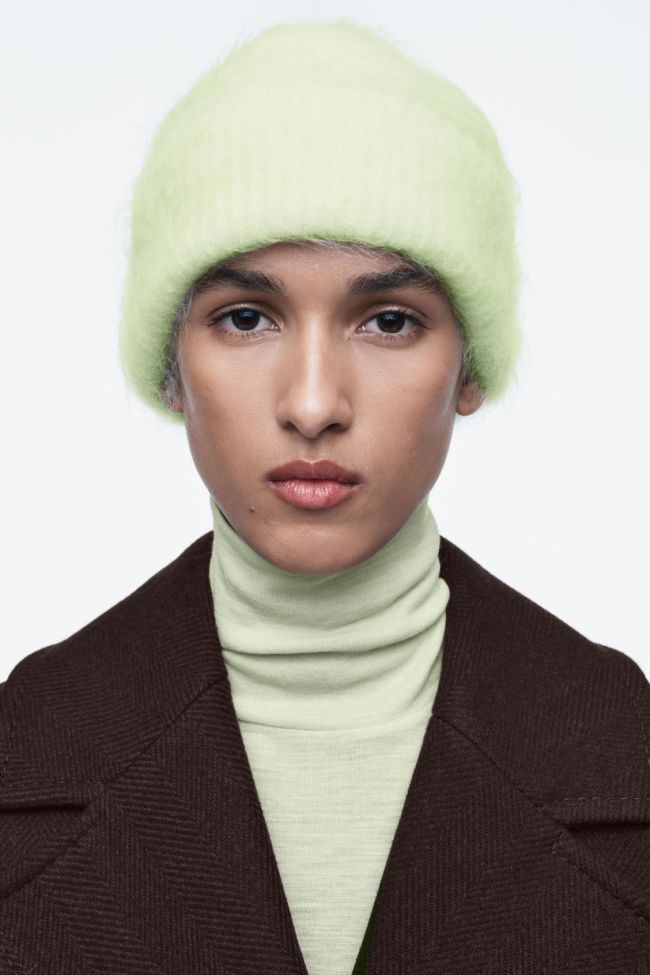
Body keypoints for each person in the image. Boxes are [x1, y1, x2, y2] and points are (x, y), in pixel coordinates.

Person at [1, 18, 649, 975]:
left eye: (388, 320)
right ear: (171, 368)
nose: (312, 403)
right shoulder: (26, 749)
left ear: (469, 370)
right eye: (245, 317)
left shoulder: (624, 747)